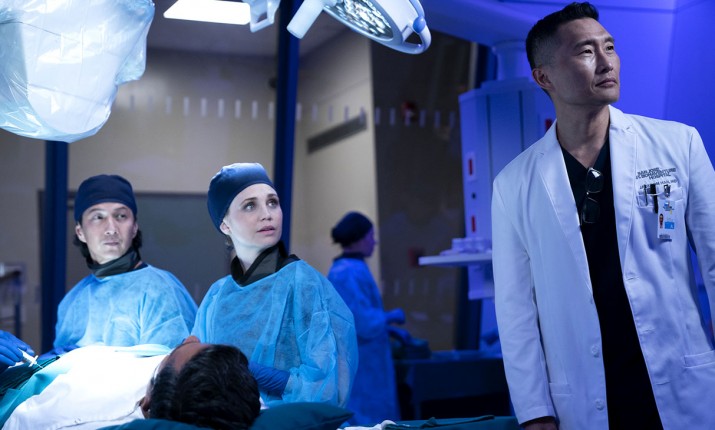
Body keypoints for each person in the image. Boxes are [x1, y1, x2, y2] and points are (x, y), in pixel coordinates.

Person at [491, 2, 715, 430]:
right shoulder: (513, 184)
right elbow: (515, 309)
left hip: (682, 382)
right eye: (586, 51)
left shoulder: (678, 145)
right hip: (586, 397)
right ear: (544, 77)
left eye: (609, 47)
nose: (606, 61)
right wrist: (535, 412)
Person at [191, 162, 358, 408]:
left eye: (272, 202)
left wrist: (268, 377)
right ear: (225, 225)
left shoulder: (303, 284)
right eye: (250, 206)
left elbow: (326, 389)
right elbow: (198, 372)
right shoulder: (217, 296)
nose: (267, 214)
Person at [52, 174, 197, 353]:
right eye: (98, 217)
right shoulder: (72, 301)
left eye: (121, 216)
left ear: (134, 228)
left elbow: (178, 365)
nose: (111, 229)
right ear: (80, 232)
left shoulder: (161, 291)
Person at [1, 338, 261, 429]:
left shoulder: (74, 417)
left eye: (173, 353)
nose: (191, 337)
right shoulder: (231, 389)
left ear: (147, 403)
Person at [327, 211, 404, 424]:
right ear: (358, 238)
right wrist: (390, 317)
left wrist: (389, 328)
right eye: (371, 236)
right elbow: (360, 321)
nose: (374, 242)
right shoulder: (347, 272)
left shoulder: (351, 269)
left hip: (367, 359)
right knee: (366, 418)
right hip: (361, 363)